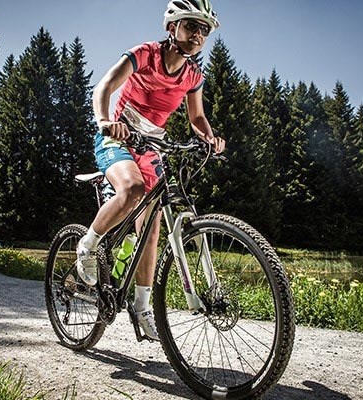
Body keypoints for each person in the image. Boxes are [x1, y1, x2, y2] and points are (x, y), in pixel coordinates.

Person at [76, 0, 226, 341]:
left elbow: (197, 118)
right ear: (172, 27)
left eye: (203, 30)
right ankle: (88, 244)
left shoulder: (192, 77)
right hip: (118, 138)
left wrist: (210, 138)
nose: (197, 35)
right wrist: (105, 121)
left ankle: (142, 308)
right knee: (132, 190)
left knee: (153, 226)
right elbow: (104, 86)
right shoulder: (144, 54)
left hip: (152, 147)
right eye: (191, 26)